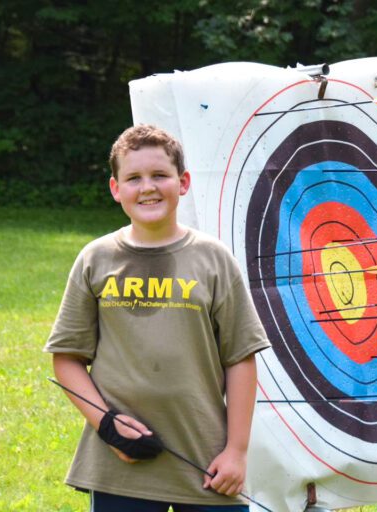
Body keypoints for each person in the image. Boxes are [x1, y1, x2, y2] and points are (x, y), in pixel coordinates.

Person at [45, 124, 270, 511]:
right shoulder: (95, 260)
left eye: (159, 175)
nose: (147, 187)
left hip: (207, 462)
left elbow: (240, 358)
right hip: (120, 464)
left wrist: (236, 451)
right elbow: (67, 358)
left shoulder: (213, 259)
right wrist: (107, 425)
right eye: (133, 178)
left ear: (182, 183)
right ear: (116, 189)